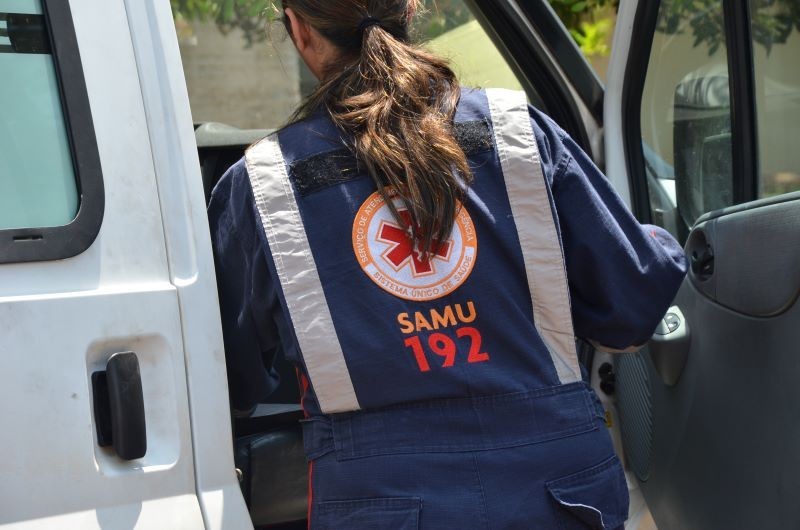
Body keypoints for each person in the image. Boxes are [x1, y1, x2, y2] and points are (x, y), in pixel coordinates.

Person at [207, 0, 687, 527]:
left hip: (381, 502)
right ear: (410, 9)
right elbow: (634, 305)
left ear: (298, 29)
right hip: (558, 493)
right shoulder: (517, 133)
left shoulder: (263, 186)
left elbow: (226, 378)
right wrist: (655, 238)